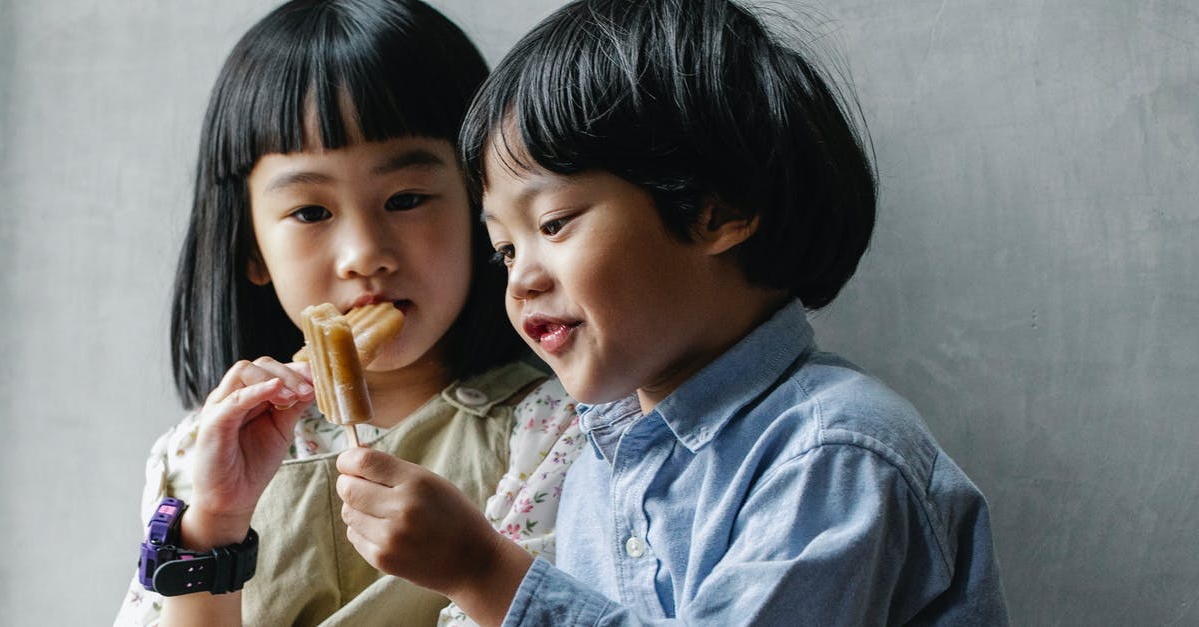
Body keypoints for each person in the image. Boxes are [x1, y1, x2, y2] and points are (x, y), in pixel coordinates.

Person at [334, 0, 1011, 624]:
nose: (522, 280)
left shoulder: (833, 455)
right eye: (505, 250)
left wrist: (483, 570)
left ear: (718, 208)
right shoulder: (596, 459)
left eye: (556, 222)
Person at [113, 1, 582, 625]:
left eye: (406, 198)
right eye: (311, 212)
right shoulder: (195, 454)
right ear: (252, 247)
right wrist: (216, 526)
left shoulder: (557, 430)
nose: (365, 254)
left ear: (483, 212)